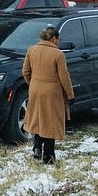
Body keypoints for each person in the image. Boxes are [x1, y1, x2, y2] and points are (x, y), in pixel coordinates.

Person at [22, 25, 75, 164]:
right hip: (52, 92)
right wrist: (70, 94)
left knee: (39, 118)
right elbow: (64, 76)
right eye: (58, 39)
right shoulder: (58, 54)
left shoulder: (31, 50)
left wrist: (33, 83)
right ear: (53, 38)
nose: (58, 42)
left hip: (35, 89)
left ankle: (37, 146)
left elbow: (25, 72)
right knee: (50, 122)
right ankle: (49, 156)